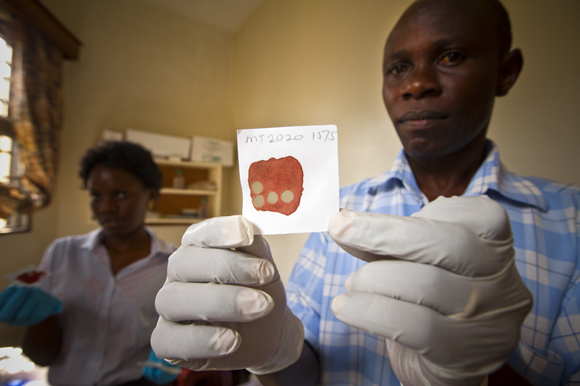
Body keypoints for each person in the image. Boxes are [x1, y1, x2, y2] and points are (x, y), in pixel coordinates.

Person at [149, 0, 580, 385]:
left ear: (505, 72)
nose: (417, 85)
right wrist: (271, 352)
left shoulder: (572, 222)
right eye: (398, 68)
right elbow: (306, 371)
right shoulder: (337, 214)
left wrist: (483, 371)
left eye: (451, 56)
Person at [0, 140, 180, 386]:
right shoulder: (63, 253)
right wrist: (41, 318)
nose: (106, 208)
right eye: (96, 196)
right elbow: (41, 356)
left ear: (152, 194)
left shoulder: (173, 266)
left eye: (122, 194)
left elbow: (179, 339)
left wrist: (178, 353)